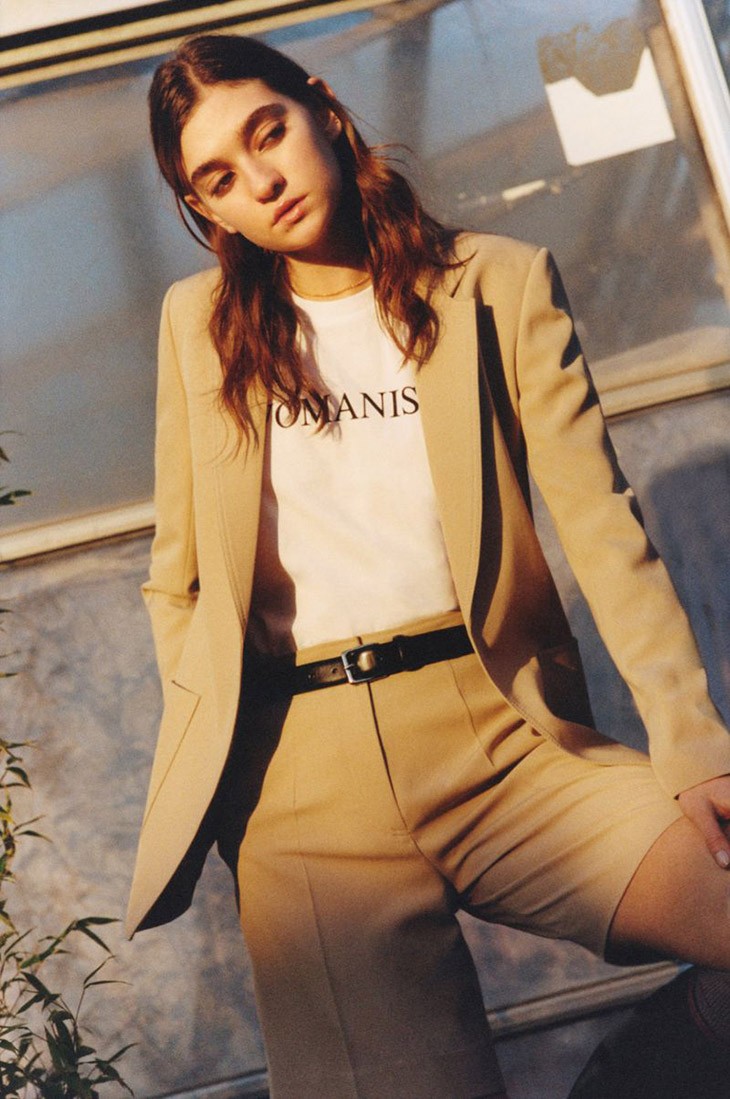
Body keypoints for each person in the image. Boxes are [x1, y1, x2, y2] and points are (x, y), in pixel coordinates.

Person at [126, 32, 730, 1099]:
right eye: (217, 178)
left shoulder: (497, 283)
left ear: (323, 110)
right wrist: (231, 780)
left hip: (502, 733)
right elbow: (179, 576)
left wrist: (693, 744)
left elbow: (602, 525)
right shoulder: (199, 326)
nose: (261, 181)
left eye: (268, 133)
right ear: (202, 209)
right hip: (303, 788)